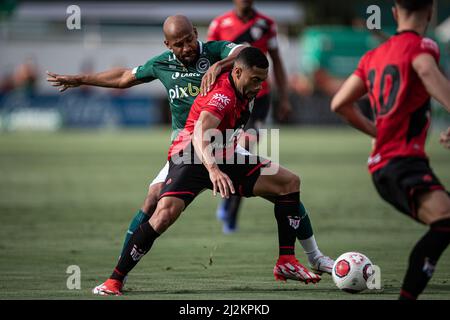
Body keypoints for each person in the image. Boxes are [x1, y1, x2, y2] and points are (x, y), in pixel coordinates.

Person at [93, 47, 332, 296]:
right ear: (238, 72)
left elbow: (243, 49)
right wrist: (213, 170)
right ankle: (114, 281)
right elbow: (200, 132)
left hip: (224, 154)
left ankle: (286, 261)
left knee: (289, 183)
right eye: (255, 80)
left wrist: (220, 65)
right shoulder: (223, 96)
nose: (259, 86)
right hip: (191, 154)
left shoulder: (244, 81)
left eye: (263, 80)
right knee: (163, 215)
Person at [47, 14, 244, 274]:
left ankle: (306, 254)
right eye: (179, 44)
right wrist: (82, 79)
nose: (186, 48)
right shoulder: (161, 64)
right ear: (167, 45)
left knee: (283, 185)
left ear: (196, 33)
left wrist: (220, 65)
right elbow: (124, 78)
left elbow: (247, 53)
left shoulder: (215, 50)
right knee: (152, 200)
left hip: (224, 143)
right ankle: (120, 268)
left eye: (189, 40)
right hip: (186, 149)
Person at [331, 0, 450, 300]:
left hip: (382, 166)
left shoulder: (373, 56)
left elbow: (339, 104)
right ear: (431, 11)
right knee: (445, 221)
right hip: (403, 162)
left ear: (395, 13)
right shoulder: (424, 48)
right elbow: (424, 68)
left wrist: (378, 132)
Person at [207, 0, 292, 234]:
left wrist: (284, 97)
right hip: (230, 98)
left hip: (259, 99)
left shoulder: (267, 25)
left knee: (245, 148)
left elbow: (278, 62)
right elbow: (211, 61)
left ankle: (230, 209)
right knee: (233, 154)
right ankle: (230, 204)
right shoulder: (219, 24)